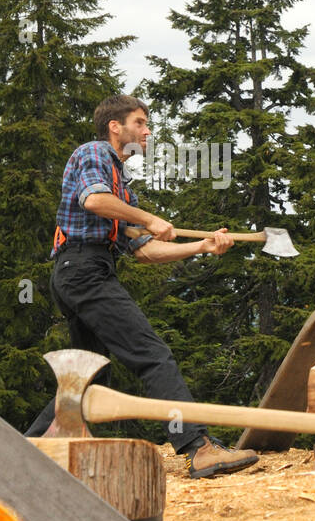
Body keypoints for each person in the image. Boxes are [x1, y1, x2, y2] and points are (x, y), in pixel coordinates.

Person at [25, 94, 260, 478]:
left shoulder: (122, 185)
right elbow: (94, 200)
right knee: (152, 355)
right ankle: (196, 447)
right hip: (83, 269)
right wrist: (149, 217)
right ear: (115, 127)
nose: (147, 131)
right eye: (139, 123)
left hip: (85, 270)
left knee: (88, 375)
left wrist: (201, 246)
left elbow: (146, 251)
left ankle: (27, 452)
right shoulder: (95, 153)